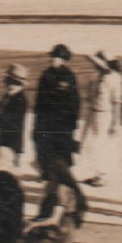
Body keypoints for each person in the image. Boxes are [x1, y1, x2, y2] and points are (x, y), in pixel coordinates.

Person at [31, 45, 80, 186]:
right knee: (43, 146)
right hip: (46, 119)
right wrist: (37, 119)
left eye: (58, 57)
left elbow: (75, 101)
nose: (54, 60)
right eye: (53, 57)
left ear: (64, 60)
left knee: (62, 148)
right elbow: (39, 98)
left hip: (62, 121)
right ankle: (45, 173)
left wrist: (73, 122)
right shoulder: (45, 74)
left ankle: (64, 174)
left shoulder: (69, 76)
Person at [78, 50, 122, 187]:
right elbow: (89, 97)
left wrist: (115, 122)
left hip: (105, 115)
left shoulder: (115, 78)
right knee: (90, 144)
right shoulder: (95, 76)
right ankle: (96, 174)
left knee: (101, 145)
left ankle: (102, 175)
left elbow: (117, 102)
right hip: (93, 113)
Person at [0, 65, 28, 163]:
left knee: (4, 167)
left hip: (11, 144)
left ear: (20, 85)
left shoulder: (20, 100)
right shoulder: (7, 96)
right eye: (8, 82)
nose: (9, 86)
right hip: (3, 140)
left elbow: (12, 122)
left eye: (13, 83)